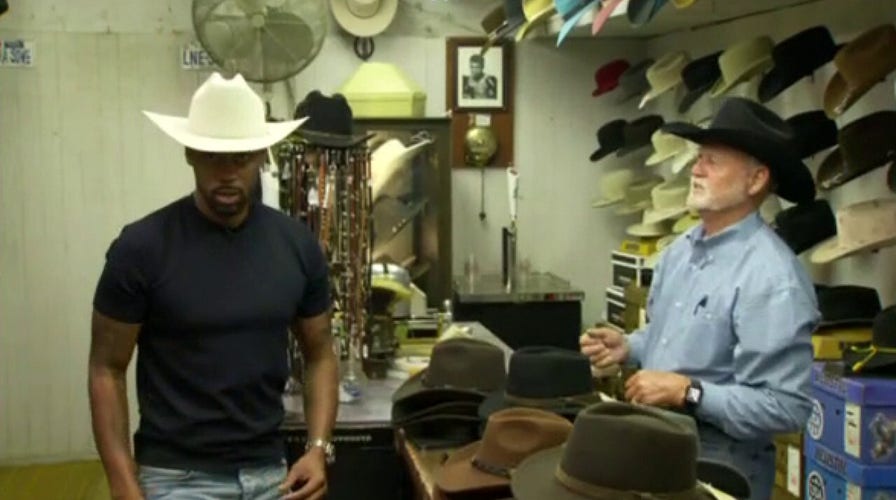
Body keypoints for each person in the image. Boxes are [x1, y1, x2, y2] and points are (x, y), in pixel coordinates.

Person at [88, 72, 339, 500]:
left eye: (240, 158)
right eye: (212, 158)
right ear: (189, 153)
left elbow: (320, 354)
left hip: (271, 475)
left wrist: (317, 448)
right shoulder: (141, 248)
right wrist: (122, 481)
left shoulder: (296, 245)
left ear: (261, 154)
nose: (227, 173)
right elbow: (106, 369)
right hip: (176, 476)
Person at [581, 97, 820, 500]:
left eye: (712, 160)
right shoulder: (680, 251)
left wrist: (688, 392)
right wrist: (629, 346)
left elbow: (785, 406)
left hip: (720, 474)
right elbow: (667, 334)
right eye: (698, 157)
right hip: (656, 458)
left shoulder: (772, 278)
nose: (696, 168)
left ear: (756, 180)